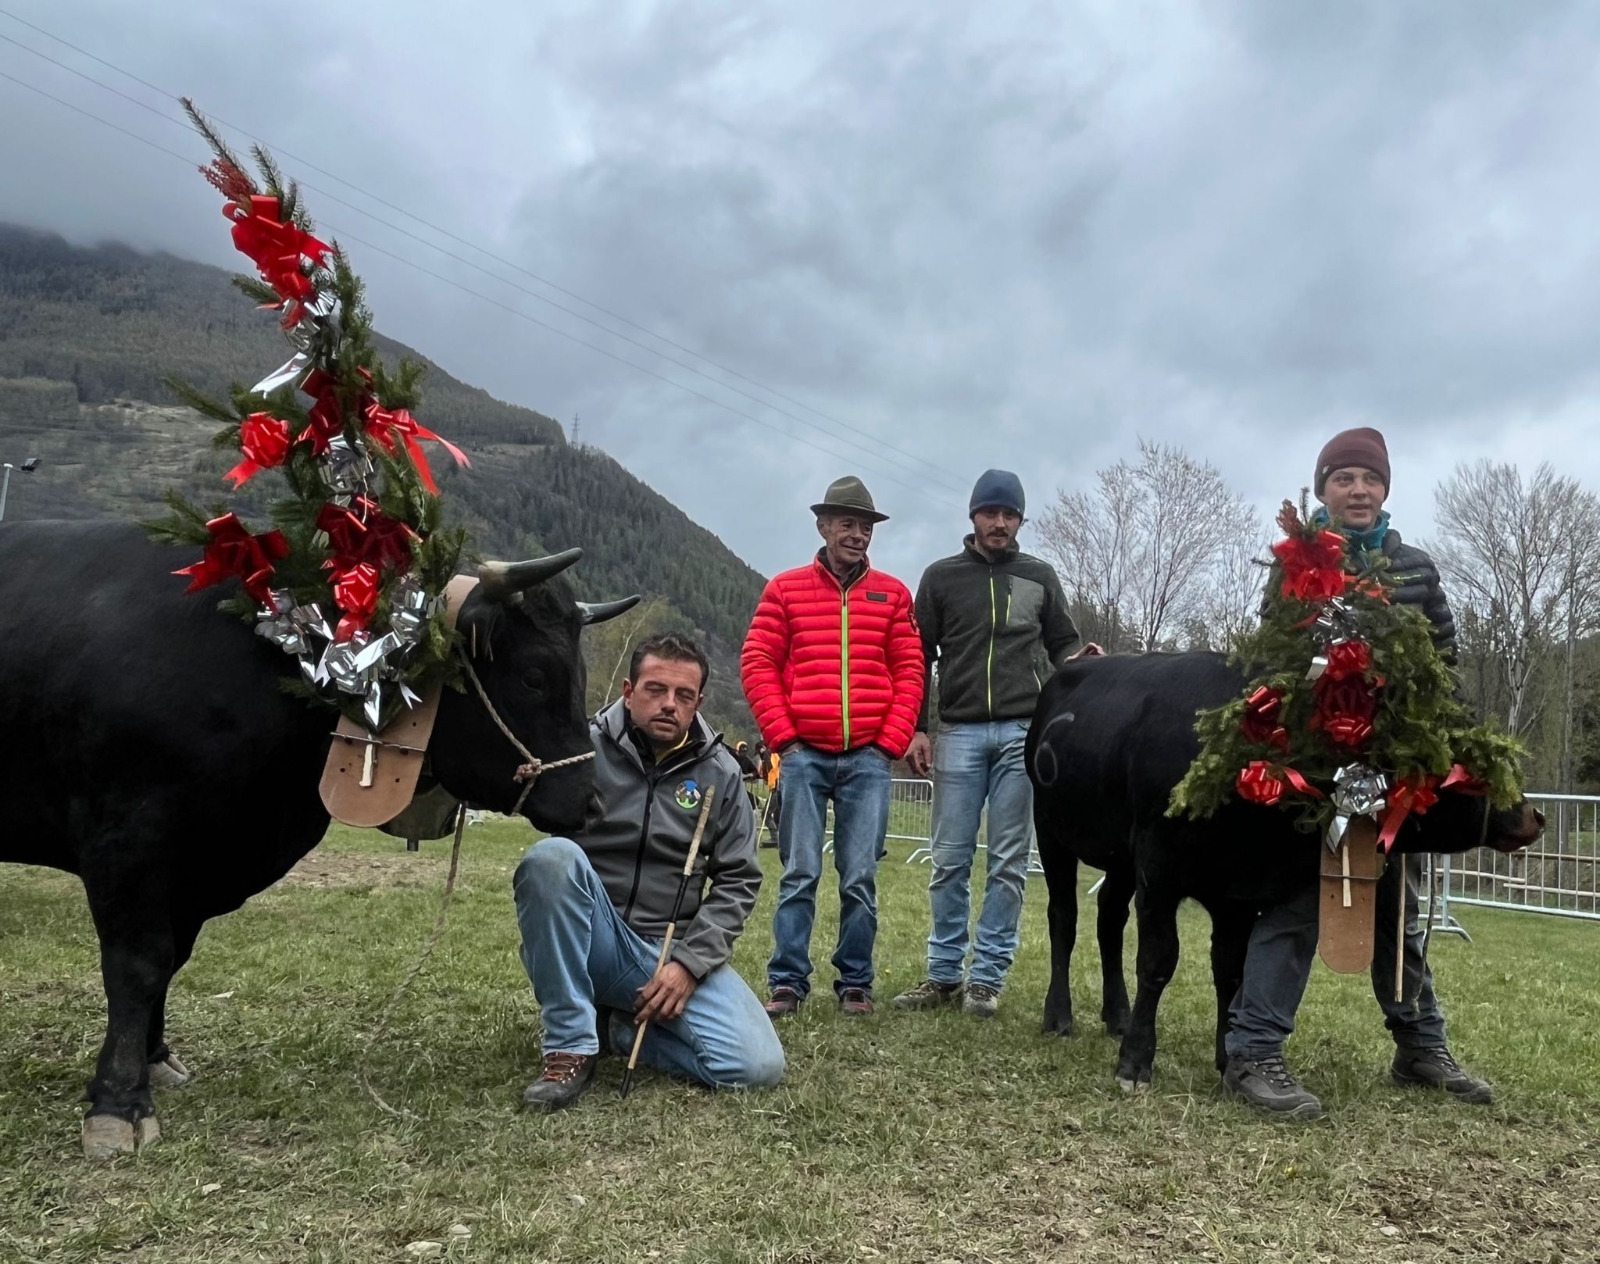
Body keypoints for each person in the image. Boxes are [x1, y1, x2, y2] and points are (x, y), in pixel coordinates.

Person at [1222, 426, 1491, 1120]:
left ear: (1385, 489)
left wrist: (1431, 738)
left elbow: (1444, 660)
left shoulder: (1417, 569)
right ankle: (1253, 1049)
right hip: (1316, 770)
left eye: (1369, 479)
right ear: (1324, 489)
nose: (1359, 490)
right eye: (1343, 478)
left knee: (1396, 906)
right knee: (1299, 903)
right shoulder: (1297, 563)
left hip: (1394, 767)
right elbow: (1273, 658)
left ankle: (1420, 1046)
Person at [513, 633, 785, 1110]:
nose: (668, 705)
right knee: (550, 859)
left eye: (683, 696)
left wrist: (689, 965)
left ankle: (615, 1028)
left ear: (699, 701)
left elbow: (739, 880)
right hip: (592, 936)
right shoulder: (580, 750)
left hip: (667, 950)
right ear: (627, 690)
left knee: (757, 1065)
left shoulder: (721, 773)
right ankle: (570, 1044)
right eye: (655, 689)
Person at [895, 470, 1089, 1018]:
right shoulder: (939, 579)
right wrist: (917, 727)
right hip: (956, 730)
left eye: (1009, 514)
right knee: (949, 859)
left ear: (1020, 521)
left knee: (1008, 861)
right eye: (990, 512)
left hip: (1022, 733)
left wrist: (1086, 671)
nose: (999, 522)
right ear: (973, 516)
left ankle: (986, 979)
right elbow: (918, 658)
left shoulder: (1040, 577)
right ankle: (942, 975)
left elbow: (1063, 647)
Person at [741, 475, 924, 1017]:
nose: (858, 534)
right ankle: (787, 983)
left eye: (865, 526)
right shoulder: (784, 589)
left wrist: (887, 743)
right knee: (800, 872)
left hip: (868, 759)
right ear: (823, 526)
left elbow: (911, 669)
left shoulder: (893, 594)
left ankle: (856, 984)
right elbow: (757, 662)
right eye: (847, 523)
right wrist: (784, 739)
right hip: (803, 757)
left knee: (861, 875)